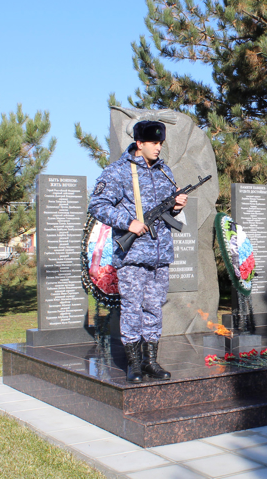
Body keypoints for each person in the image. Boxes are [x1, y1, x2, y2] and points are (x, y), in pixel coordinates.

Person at [88, 120, 187, 382]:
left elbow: (166, 213)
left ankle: (150, 361)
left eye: (161, 143)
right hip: (132, 256)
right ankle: (133, 364)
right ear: (139, 143)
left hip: (159, 255)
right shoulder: (118, 172)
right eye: (154, 143)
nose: (158, 148)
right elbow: (97, 205)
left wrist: (176, 207)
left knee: (154, 308)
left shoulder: (165, 172)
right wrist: (127, 222)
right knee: (133, 308)